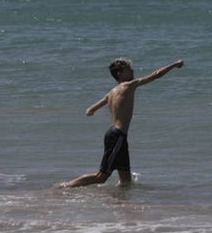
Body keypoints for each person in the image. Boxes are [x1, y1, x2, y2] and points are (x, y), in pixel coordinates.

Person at [60, 58, 185, 188]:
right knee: (101, 177)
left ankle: (122, 201)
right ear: (119, 73)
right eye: (129, 69)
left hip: (117, 136)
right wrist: (174, 65)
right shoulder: (129, 85)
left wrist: (91, 110)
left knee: (126, 180)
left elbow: (91, 109)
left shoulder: (112, 92)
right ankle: (65, 186)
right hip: (117, 136)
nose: (132, 71)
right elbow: (155, 75)